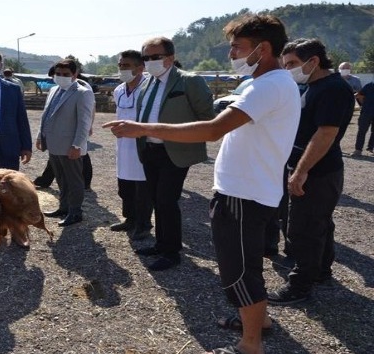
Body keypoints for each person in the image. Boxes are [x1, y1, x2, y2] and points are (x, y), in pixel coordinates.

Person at [104, 14, 299, 354]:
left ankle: (250, 345)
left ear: (263, 48)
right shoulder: (268, 83)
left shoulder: (268, 85)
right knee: (249, 264)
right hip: (249, 190)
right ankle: (260, 322)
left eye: (237, 47)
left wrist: (146, 128)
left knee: (239, 273)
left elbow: (211, 129)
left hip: (244, 194)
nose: (231, 55)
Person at [267, 38, 355, 306]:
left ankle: (299, 285)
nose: (289, 69)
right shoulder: (313, 86)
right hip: (313, 169)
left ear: (313, 61)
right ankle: (320, 271)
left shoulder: (332, 89)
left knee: (303, 229)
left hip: (318, 171)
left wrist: (301, 171)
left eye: (293, 63)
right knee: (319, 224)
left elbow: (326, 133)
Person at [128, 36, 215, 271]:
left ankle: (171, 251)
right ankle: (161, 243)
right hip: (150, 149)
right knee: (156, 199)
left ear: (171, 58)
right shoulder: (147, 83)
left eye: (155, 57)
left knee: (167, 200)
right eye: (146, 58)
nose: (150, 62)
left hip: (175, 151)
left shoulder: (190, 81)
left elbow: (207, 117)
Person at [37, 58, 94, 227]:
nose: (61, 77)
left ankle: (75, 212)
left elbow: (84, 123)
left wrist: (77, 145)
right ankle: (64, 207)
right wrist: (41, 136)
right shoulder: (54, 89)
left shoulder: (83, 93)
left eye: (66, 74)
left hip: (71, 147)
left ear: (75, 74)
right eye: (58, 74)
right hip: (54, 145)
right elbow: (46, 116)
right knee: (61, 178)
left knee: (74, 180)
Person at [108, 50, 152, 235]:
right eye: (120, 65)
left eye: (126, 66)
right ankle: (130, 218)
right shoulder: (119, 90)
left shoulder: (149, 87)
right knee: (125, 185)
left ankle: (143, 224)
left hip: (143, 144)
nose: (122, 69)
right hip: (123, 145)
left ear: (140, 68)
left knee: (143, 188)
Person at [353, 81, 374, 156]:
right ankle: (359, 149)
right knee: (362, 131)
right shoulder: (370, 85)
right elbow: (359, 95)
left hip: (366, 111)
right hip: (366, 112)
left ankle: (369, 148)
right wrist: (364, 105)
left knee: (364, 131)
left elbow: (359, 96)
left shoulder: (370, 85)